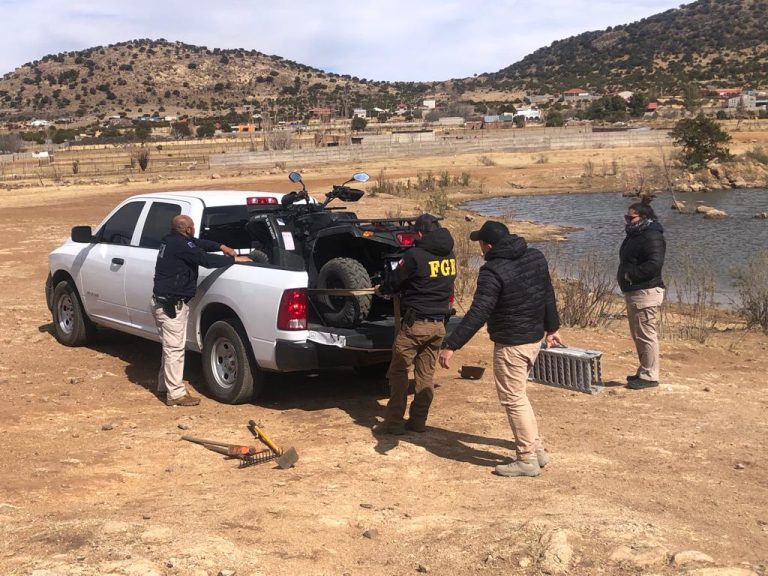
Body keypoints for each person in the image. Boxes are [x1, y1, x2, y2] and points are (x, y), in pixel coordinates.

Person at [438, 221, 562, 478]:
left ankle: (526, 459)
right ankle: (536, 450)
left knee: (513, 399)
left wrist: (452, 344)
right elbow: (547, 293)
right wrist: (552, 328)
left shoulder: (492, 271)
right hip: (532, 338)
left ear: (489, 245)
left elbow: (478, 312)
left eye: (481, 244)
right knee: (520, 397)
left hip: (512, 343)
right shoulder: (535, 257)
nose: (480, 249)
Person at [153, 214, 251, 406]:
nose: (194, 230)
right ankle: (175, 395)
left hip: (163, 303)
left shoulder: (171, 240)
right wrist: (234, 260)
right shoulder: (181, 246)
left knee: (170, 347)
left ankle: (165, 385)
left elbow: (199, 243)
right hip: (171, 306)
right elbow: (204, 259)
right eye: (192, 227)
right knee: (175, 349)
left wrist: (221, 247)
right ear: (187, 229)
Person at [372, 213, 457, 435]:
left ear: (419, 233)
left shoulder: (414, 255)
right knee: (425, 376)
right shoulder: (450, 255)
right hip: (439, 325)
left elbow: (394, 282)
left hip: (415, 325)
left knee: (398, 373)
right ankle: (418, 421)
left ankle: (393, 423)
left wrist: (381, 289)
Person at [618, 197, 666, 390]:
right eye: (626, 218)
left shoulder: (652, 236)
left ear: (644, 217)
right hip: (635, 291)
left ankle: (649, 376)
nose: (627, 221)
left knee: (647, 334)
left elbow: (654, 264)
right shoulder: (636, 234)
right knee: (638, 334)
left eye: (631, 218)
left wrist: (631, 276)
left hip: (645, 291)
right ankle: (644, 369)